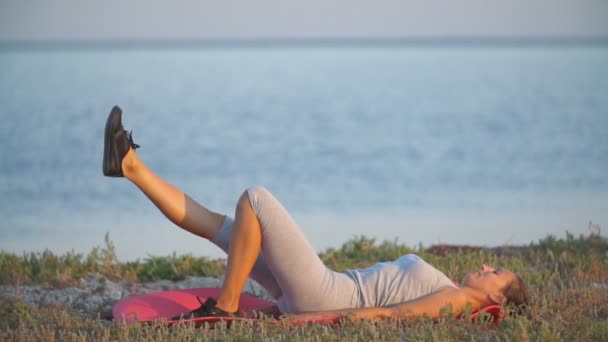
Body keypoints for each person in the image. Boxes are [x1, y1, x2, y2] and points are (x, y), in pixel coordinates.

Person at [103, 106, 529, 321]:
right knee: (225, 229)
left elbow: (389, 316)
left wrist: (310, 320)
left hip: (327, 295)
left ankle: (225, 307)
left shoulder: (457, 300)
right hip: (323, 290)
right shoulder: (452, 289)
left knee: (257, 199)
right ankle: (132, 168)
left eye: (497, 273)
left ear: (495, 298)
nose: (487, 266)